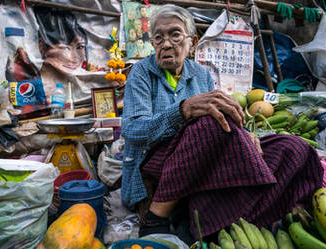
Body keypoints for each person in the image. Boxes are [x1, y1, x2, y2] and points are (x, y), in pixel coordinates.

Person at [121, 4, 323, 243]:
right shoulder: (141, 73)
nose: (165, 44)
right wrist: (183, 110)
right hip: (157, 162)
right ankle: (157, 217)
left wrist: (245, 135)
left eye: (174, 35)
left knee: (292, 148)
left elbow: (218, 120)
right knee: (208, 124)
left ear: (192, 41)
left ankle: (215, 217)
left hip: (199, 163)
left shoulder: (201, 74)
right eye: (158, 37)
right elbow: (133, 132)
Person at [6, 7, 88, 108]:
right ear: (42, 46)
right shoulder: (26, 79)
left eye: (80, 47)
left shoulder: (84, 85)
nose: (74, 58)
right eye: (65, 48)